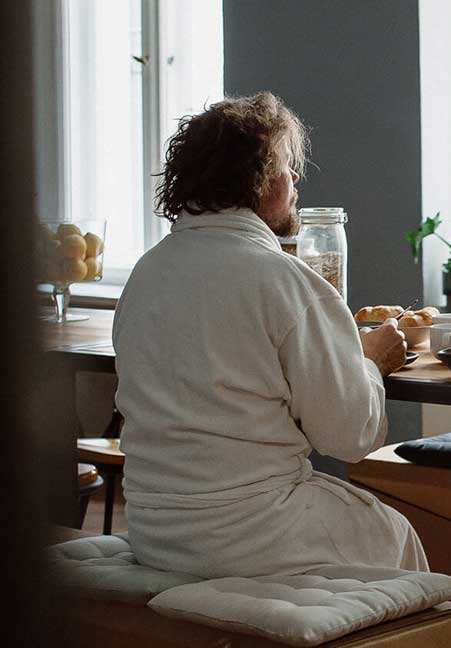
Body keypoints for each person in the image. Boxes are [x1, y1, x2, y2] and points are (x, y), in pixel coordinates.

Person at [113, 92, 426, 577]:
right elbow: (350, 437)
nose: (295, 179)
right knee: (394, 533)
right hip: (252, 533)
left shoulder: (146, 273)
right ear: (256, 179)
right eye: (285, 166)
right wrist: (370, 362)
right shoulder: (283, 280)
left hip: (156, 531)